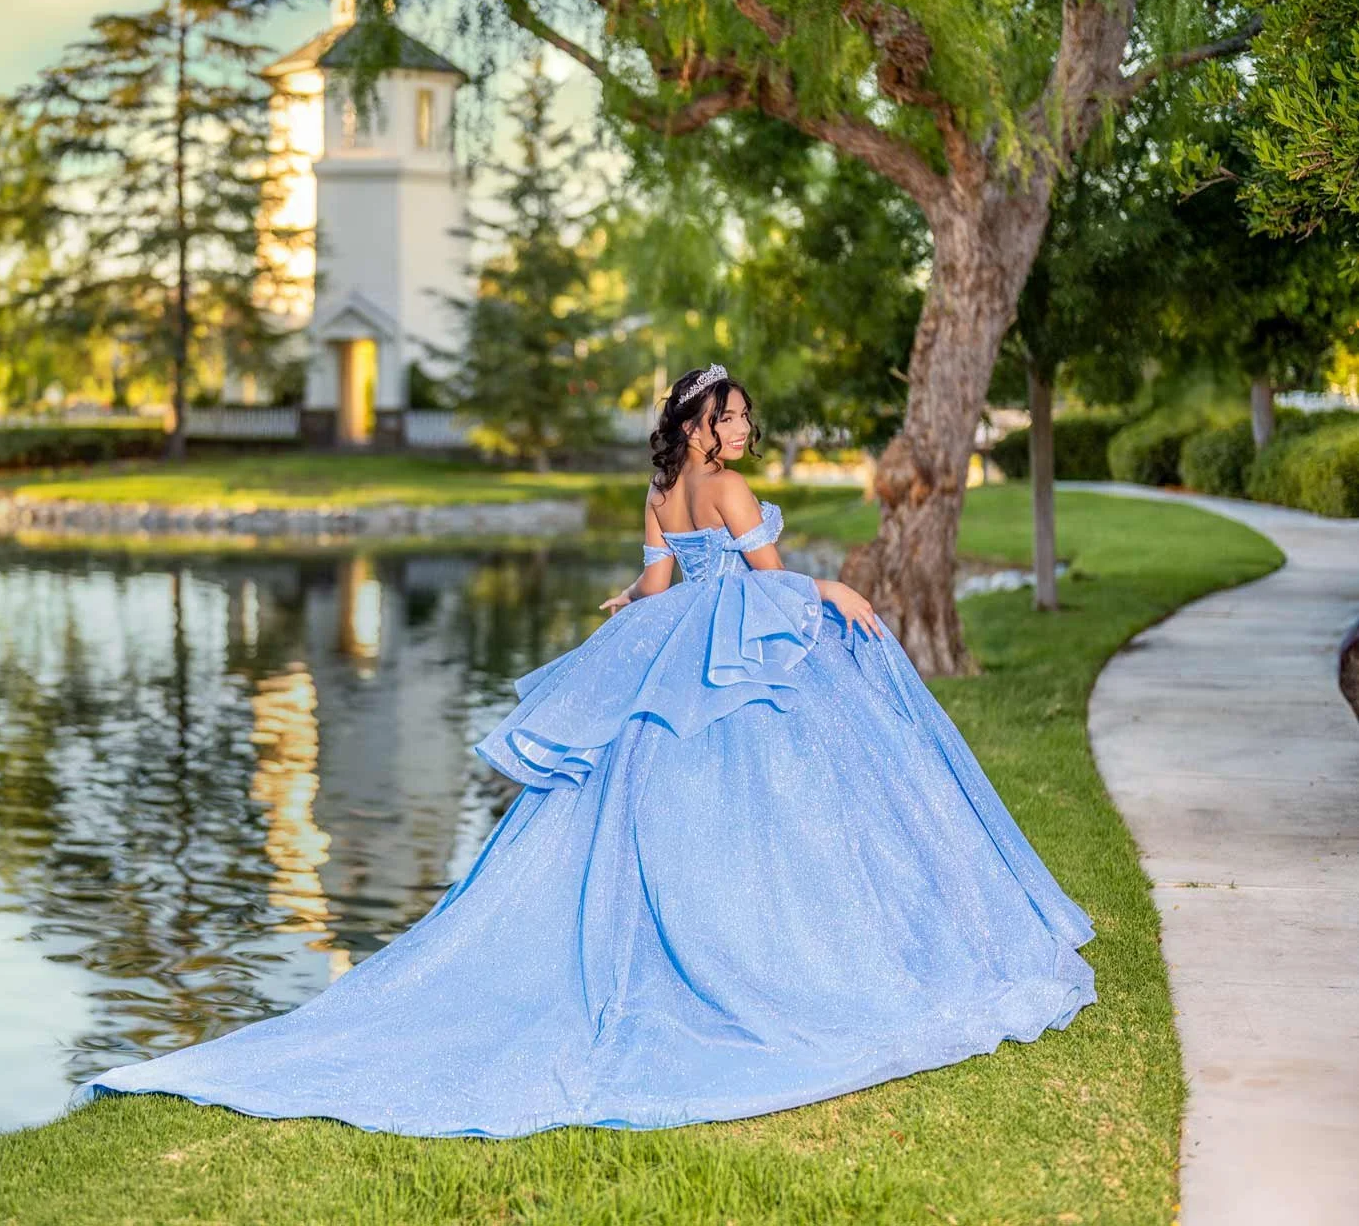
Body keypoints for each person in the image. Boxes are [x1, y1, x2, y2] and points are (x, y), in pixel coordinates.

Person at [71, 366, 1096, 1138]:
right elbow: (768, 586)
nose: (744, 429)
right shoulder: (731, 492)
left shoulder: (662, 493)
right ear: (697, 428)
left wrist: (629, 602)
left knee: (664, 790)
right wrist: (829, 589)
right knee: (789, 792)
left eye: (743, 417)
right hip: (724, 654)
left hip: (677, 649)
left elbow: (658, 586)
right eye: (731, 417)